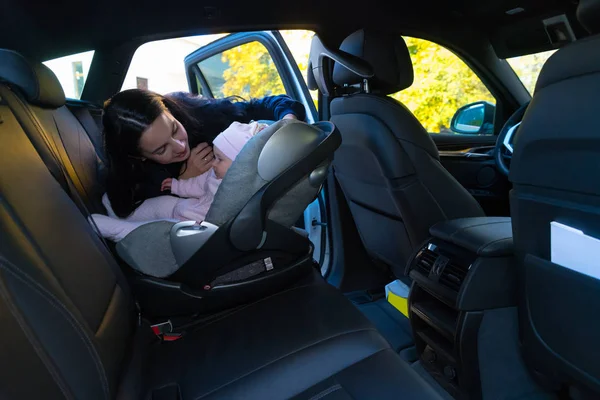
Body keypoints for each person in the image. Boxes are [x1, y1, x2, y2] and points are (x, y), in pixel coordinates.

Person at [102, 89, 306, 218]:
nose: (180, 146)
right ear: (139, 157)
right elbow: (126, 208)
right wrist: (183, 180)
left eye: (174, 129)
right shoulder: (137, 179)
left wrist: (288, 122)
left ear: (171, 111)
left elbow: (271, 104)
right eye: (161, 149)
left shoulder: (204, 115)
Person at [92, 121, 268, 241]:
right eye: (215, 156)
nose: (213, 162)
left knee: (165, 229)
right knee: (164, 203)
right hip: (187, 207)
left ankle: (120, 229)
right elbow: (198, 185)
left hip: (197, 226)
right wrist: (177, 185)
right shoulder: (215, 173)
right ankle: (123, 214)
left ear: (240, 164)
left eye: (219, 159)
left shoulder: (242, 190)